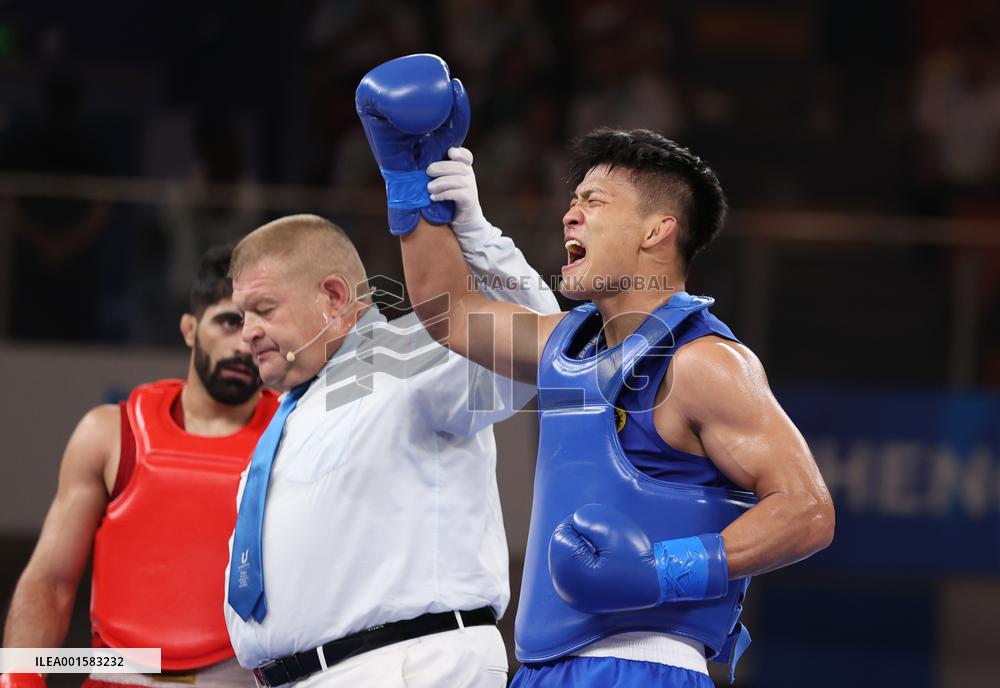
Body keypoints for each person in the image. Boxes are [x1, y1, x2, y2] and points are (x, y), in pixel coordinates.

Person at [395, 119, 836, 685]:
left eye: (593, 202)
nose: (569, 215)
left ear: (656, 231)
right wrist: (408, 178)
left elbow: (808, 510)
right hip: (538, 667)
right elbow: (447, 310)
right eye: (572, 201)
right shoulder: (566, 345)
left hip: (645, 666)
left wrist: (664, 571)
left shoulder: (704, 362)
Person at [220, 68, 560, 687]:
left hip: (406, 664)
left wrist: (475, 235)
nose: (246, 332)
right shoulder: (294, 412)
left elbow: (542, 347)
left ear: (331, 297)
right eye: (240, 315)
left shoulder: (404, 354)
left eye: (263, 311)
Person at [1, 245, 278, 688]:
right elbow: (50, 582)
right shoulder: (110, 433)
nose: (242, 343)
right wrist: (18, 680)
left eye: (255, 326)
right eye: (228, 321)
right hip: (118, 673)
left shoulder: (294, 439)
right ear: (190, 329)